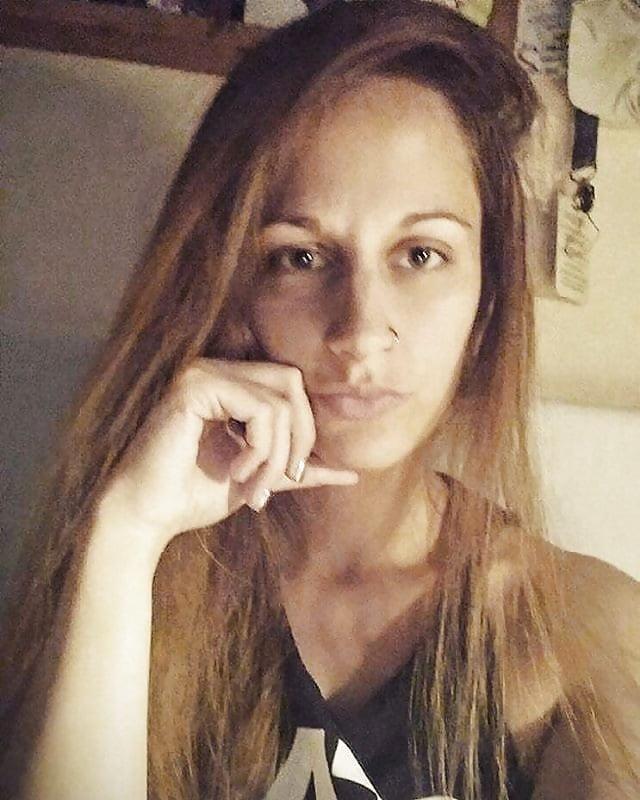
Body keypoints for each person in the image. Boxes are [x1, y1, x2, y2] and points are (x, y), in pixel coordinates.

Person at [0, 1, 638, 798]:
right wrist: (126, 533)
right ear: (229, 288)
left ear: (487, 301)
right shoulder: (136, 570)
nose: (362, 331)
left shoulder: (582, 630)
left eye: (421, 253)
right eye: (300, 257)